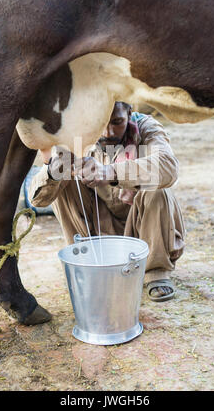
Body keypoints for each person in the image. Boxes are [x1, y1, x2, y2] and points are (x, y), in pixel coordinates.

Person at [29, 102, 185, 302]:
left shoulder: (146, 127)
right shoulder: (76, 133)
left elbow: (169, 168)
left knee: (158, 186)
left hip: (143, 230)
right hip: (99, 231)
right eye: (100, 123)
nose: (108, 132)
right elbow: (38, 200)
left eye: (117, 122)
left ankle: (155, 272)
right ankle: (86, 260)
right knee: (62, 181)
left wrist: (109, 172)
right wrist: (53, 171)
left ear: (129, 113)